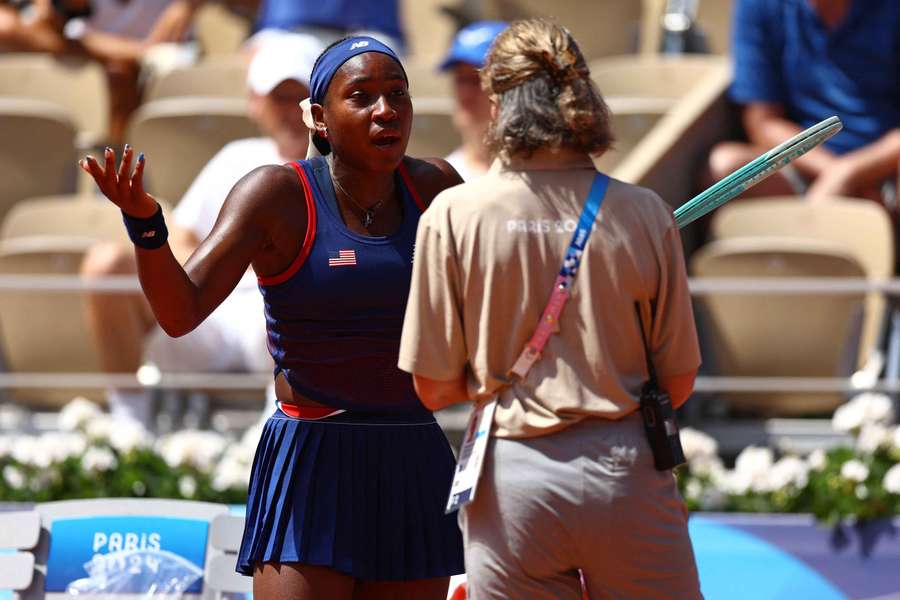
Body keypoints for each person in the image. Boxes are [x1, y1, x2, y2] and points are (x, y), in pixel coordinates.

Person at [79, 35, 465, 599]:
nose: (386, 110)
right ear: (319, 118)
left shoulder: (437, 187)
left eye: (397, 94)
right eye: (361, 96)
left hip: (411, 450)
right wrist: (147, 226)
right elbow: (180, 312)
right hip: (312, 450)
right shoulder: (275, 194)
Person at [399, 19, 703, 600]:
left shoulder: (454, 214)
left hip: (512, 481)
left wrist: (500, 374)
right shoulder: (645, 212)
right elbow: (680, 380)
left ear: (495, 103)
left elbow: (432, 387)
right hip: (626, 475)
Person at [80, 34, 321, 426]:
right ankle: (128, 421)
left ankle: (277, 422)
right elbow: (183, 235)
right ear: (255, 103)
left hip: (283, 326)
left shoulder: (341, 172)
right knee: (105, 265)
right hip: (210, 318)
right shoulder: (236, 157)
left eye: (300, 99)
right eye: (279, 97)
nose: (291, 112)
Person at [706, 0, 900, 206]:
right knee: (724, 166)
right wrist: (834, 174)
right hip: (805, 166)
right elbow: (763, 123)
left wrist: (852, 173)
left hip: (886, 167)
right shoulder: (758, 5)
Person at [0, 0, 204, 142]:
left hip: (170, 82)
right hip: (101, 77)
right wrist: (136, 53)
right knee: (119, 73)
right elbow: (42, 31)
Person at [438, 20, 505, 182]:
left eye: (478, 80)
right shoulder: (440, 179)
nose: (465, 93)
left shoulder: (537, 176)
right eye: (460, 80)